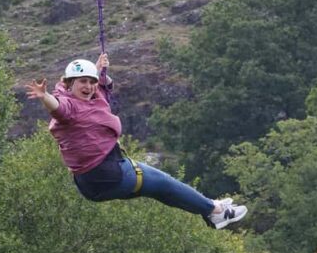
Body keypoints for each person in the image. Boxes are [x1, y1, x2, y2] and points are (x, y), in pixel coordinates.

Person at [26, 53, 247, 229]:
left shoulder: (90, 97)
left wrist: (98, 68)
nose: (89, 86)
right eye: (83, 82)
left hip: (93, 181)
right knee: (164, 182)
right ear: (69, 84)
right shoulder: (69, 107)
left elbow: (97, 87)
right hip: (105, 175)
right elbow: (58, 108)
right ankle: (215, 211)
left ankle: (209, 209)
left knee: (160, 189)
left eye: (92, 82)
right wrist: (44, 97)